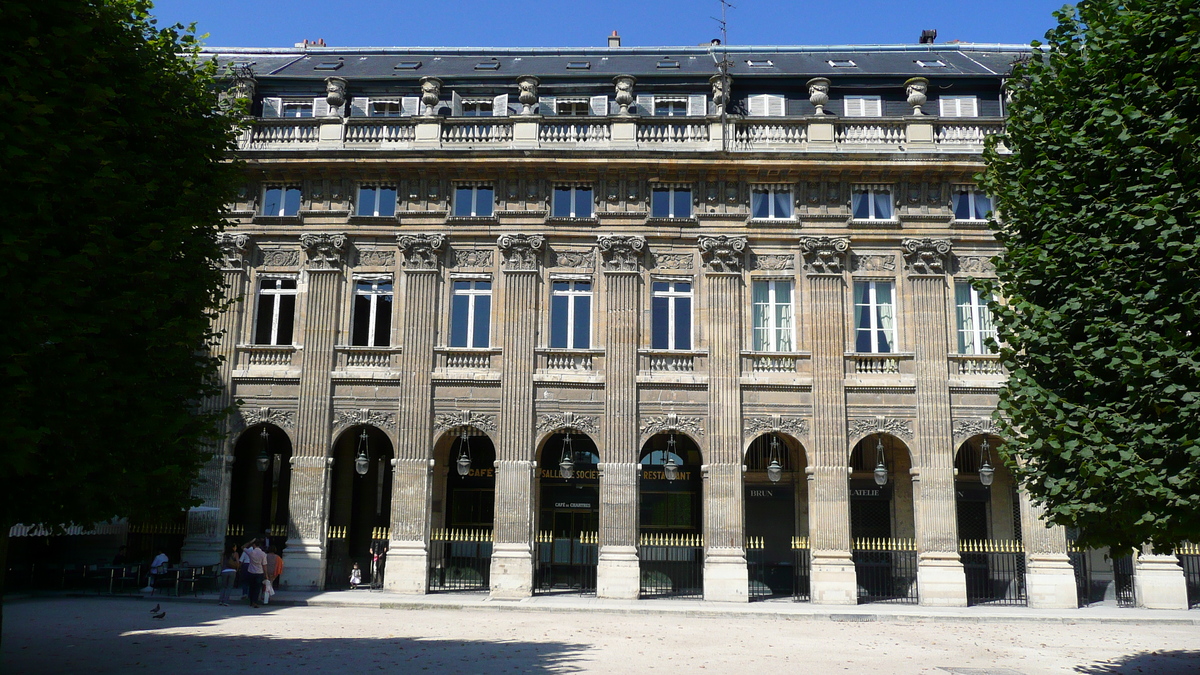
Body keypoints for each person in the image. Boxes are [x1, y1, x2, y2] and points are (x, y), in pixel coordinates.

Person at [244, 540, 268, 608]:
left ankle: (251, 601)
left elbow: (243, 547)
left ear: (254, 545)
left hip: (251, 571)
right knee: (257, 588)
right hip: (259, 572)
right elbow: (264, 565)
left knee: (251, 587)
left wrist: (250, 542)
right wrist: (266, 574)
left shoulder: (251, 552)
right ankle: (255, 601)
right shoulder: (263, 554)